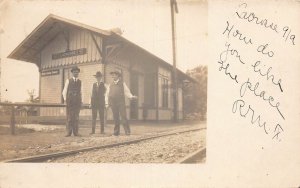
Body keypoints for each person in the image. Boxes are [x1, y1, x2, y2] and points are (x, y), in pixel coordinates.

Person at [105, 69, 137, 136]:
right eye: (112, 75)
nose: (113, 76)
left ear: (118, 76)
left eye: (114, 74)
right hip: (113, 103)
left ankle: (127, 131)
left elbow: (126, 91)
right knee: (116, 117)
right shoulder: (110, 84)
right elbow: (107, 94)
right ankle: (116, 132)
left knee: (123, 116)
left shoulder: (122, 83)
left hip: (120, 103)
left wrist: (131, 97)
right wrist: (107, 103)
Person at [62, 66, 83, 137]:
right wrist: (65, 100)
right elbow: (64, 91)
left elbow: (81, 92)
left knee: (76, 117)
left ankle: (76, 132)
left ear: (78, 73)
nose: (76, 73)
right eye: (74, 72)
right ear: (72, 73)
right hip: (70, 101)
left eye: (77, 72)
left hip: (77, 102)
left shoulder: (80, 81)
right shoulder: (68, 80)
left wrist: (81, 101)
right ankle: (69, 132)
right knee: (70, 117)